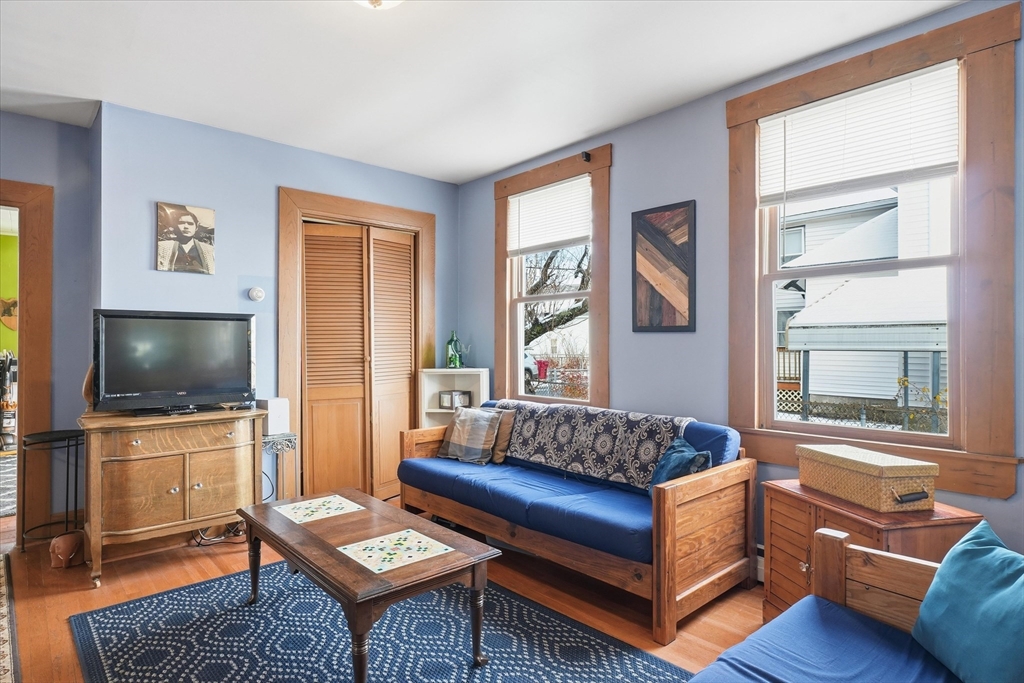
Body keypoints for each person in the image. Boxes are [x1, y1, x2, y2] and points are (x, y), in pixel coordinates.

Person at [157, 208, 215, 274]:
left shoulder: (209, 250)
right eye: (181, 223)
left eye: (190, 223)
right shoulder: (162, 247)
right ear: (175, 226)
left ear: (196, 227)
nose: (186, 226)